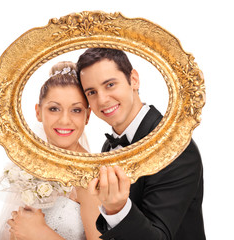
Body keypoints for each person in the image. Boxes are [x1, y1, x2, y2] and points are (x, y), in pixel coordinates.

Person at [76, 48, 205, 240]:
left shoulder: (174, 148)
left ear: (133, 80)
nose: (102, 99)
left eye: (110, 84)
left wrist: (117, 209)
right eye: (92, 92)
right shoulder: (108, 146)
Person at [0, 61, 101, 240]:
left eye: (75, 110)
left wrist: (41, 234)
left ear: (87, 116)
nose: (65, 120)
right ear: (38, 112)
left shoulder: (90, 178)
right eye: (54, 109)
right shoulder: (29, 166)